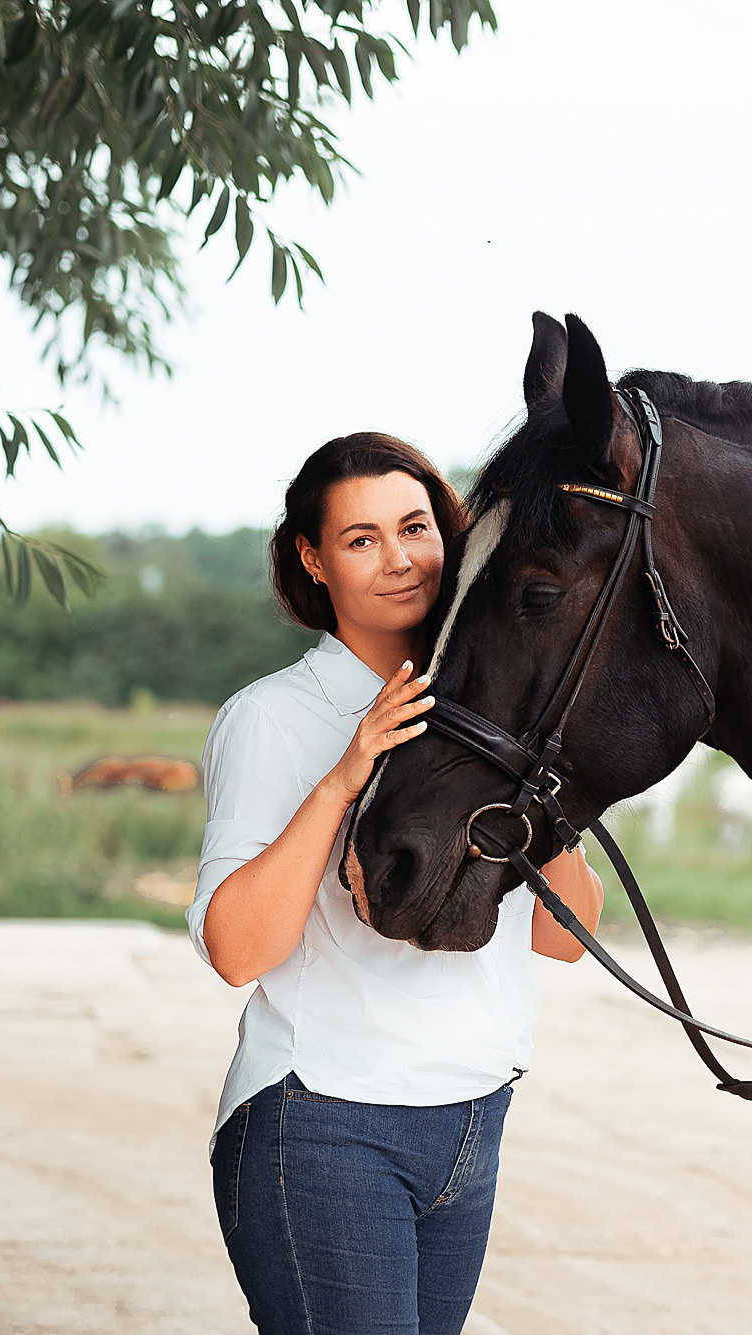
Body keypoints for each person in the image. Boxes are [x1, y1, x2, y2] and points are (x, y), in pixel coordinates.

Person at [187, 432, 604, 1335]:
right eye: (361, 539)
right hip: (327, 1122)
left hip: (472, 1118)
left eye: (415, 526)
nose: (400, 559)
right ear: (314, 558)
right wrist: (345, 776)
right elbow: (235, 949)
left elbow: (565, 934)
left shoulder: (494, 710)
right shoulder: (272, 719)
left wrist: (541, 786)